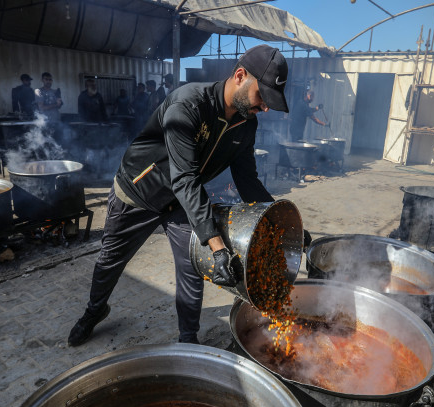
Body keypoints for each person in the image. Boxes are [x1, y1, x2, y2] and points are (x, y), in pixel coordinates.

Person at [67, 44, 311, 347]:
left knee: (194, 267)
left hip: (181, 200)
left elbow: (247, 180)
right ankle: (94, 311)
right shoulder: (188, 105)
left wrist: (283, 223)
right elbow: (183, 178)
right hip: (139, 190)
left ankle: (188, 341)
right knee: (109, 262)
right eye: (262, 97)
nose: (264, 108)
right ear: (239, 76)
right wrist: (218, 244)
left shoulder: (246, 124)